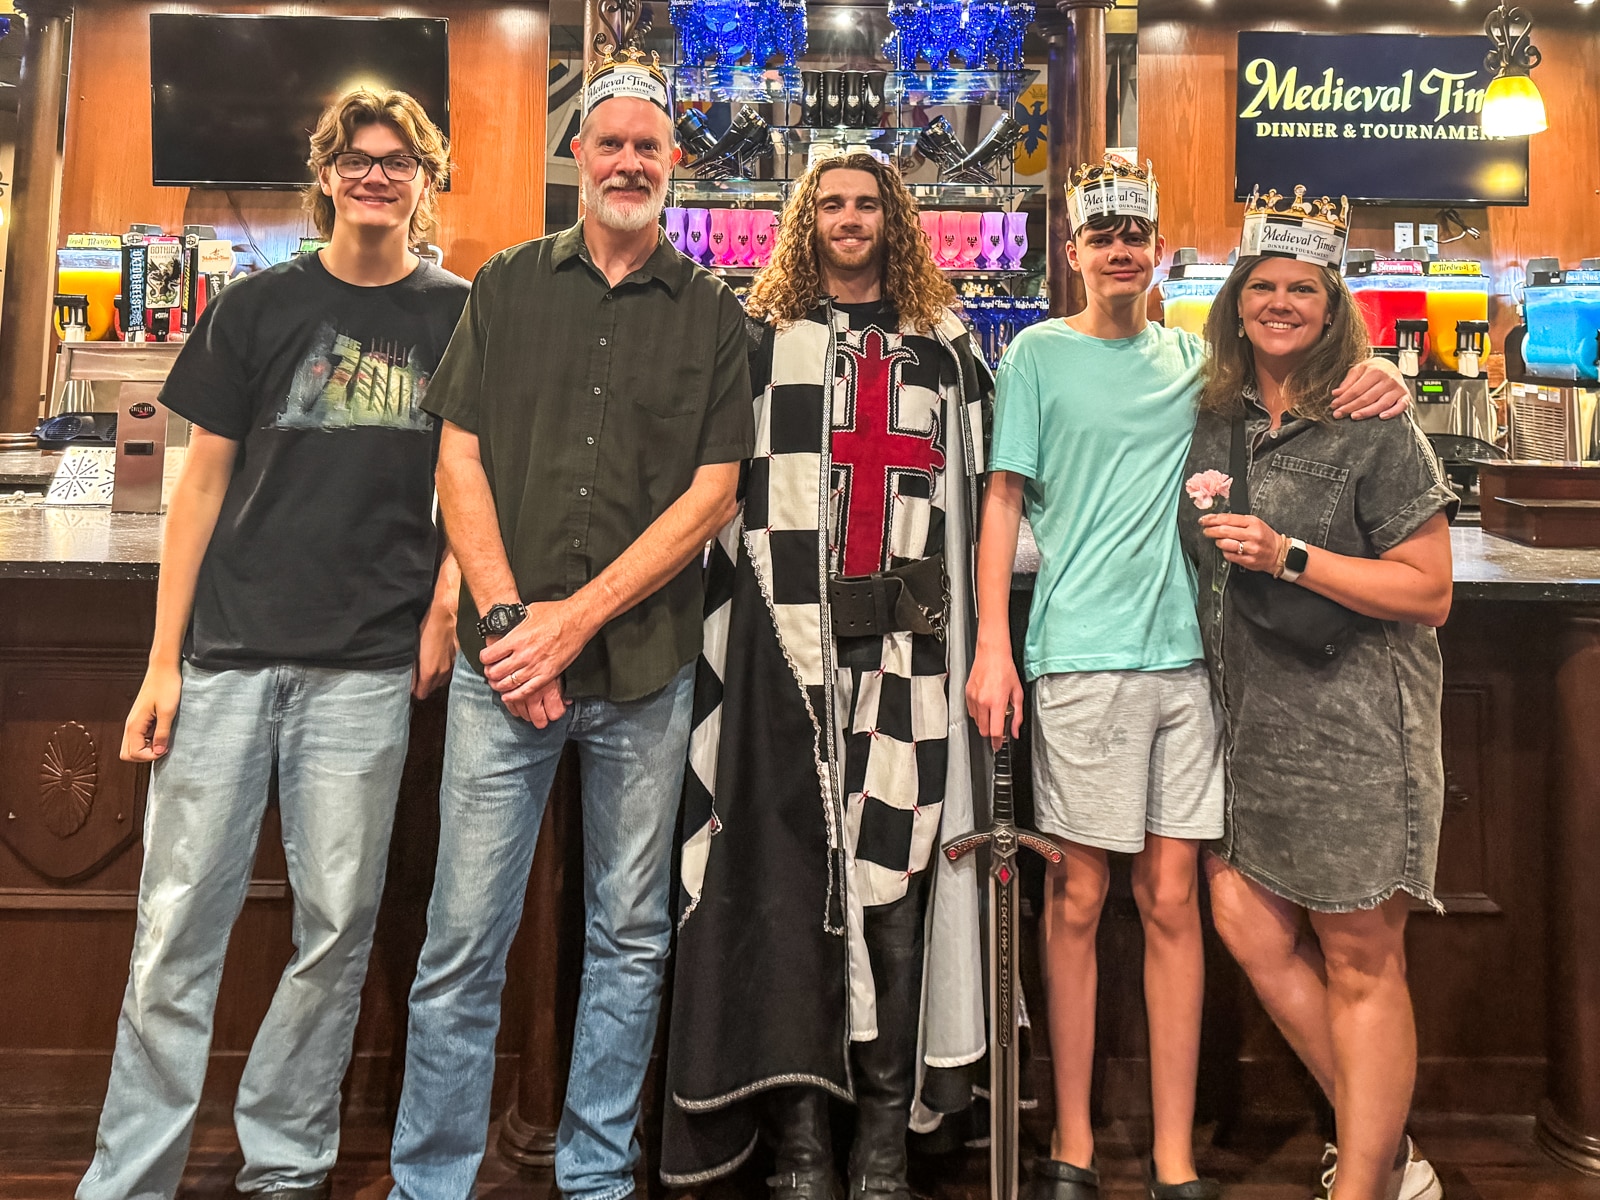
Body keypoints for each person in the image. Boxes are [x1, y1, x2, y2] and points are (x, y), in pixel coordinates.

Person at [965, 158, 1416, 1200]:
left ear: (1158, 249)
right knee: (1074, 896)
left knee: (1173, 899)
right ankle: (1071, 1144)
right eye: (1101, 232)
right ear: (1072, 250)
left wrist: (1380, 368)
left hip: (1192, 662)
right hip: (1077, 655)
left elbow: (1297, 378)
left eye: (1136, 231)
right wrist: (996, 640)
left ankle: (1172, 1157)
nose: (1120, 248)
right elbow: (1001, 503)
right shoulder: (1035, 354)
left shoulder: (1196, 364)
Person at [78, 89, 467, 1200]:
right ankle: (129, 1176)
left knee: (335, 932)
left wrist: (444, 601)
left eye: (397, 161)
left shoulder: (459, 314)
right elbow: (197, 486)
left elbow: (469, 481)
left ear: (423, 178)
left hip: (365, 669)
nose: (376, 176)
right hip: (229, 659)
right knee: (172, 934)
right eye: (358, 158)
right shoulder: (252, 309)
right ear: (328, 174)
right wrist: (162, 662)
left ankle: (285, 1168)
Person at [384, 44, 754, 1200]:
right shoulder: (503, 287)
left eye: (650, 144)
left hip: (643, 674)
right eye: (611, 142)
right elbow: (459, 456)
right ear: (576, 156)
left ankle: (596, 1177)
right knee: (459, 949)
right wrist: (507, 622)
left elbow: (713, 494)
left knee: (631, 941)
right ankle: (429, 1180)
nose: (630, 161)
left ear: (674, 164)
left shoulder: (713, 315)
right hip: (508, 672)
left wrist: (570, 624)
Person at [661, 152, 989, 1200]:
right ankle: (802, 1134)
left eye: (868, 205)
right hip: (781, 645)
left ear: (896, 222)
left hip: (907, 654)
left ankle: (883, 1139)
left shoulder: (945, 352)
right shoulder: (759, 343)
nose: (850, 220)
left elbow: (985, 502)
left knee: (893, 875)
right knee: (792, 870)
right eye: (832, 204)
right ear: (806, 221)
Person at [1180, 189, 1454, 1200]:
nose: (1282, 303)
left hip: (1356, 726)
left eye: (1304, 289)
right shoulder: (1215, 410)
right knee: (1248, 923)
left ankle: (1364, 1183)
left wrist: (1293, 555)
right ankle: (1385, 1153)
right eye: (1265, 286)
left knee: (1359, 953)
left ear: (1334, 306)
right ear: (1236, 301)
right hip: (1251, 726)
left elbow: (1428, 592)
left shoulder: (1373, 418)